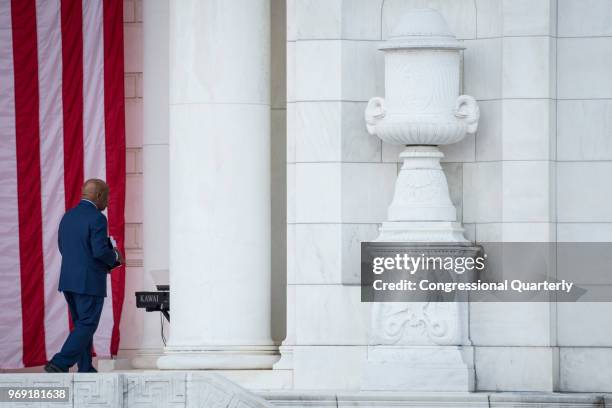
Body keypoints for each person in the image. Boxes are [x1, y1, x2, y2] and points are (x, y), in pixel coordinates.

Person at [44, 179, 124, 373]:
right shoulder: (97, 218)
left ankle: (86, 367)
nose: (107, 202)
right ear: (98, 196)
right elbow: (98, 251)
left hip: (69, 280)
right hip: (89, 281)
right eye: (106, 197)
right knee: (87, 324)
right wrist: (114, 256)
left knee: (82, 325)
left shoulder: (68, 216)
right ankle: (59, 363)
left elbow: (64, 248)